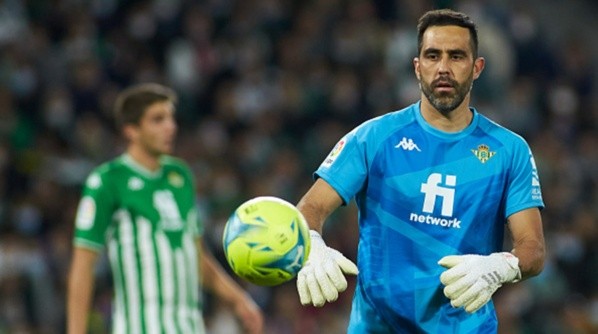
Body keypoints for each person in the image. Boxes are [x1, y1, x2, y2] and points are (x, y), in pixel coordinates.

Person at [295, 9, 545, 333]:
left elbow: (533, 248)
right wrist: (312, 243)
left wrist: (501, 266)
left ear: (477, 67)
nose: (443, 68)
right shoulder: (374, 137)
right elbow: (310, 207)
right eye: (432, 56)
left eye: (456, 56)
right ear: (417, 66)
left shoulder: (509, 151)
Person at [67, 83, 264, 334]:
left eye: (171, 117)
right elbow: (83, 267)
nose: (171, 126)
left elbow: (195, 255)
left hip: (190, 327)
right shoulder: (107, 181)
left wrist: (239, 300)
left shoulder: (179, 175)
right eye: (157, 120)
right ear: (131, 130)